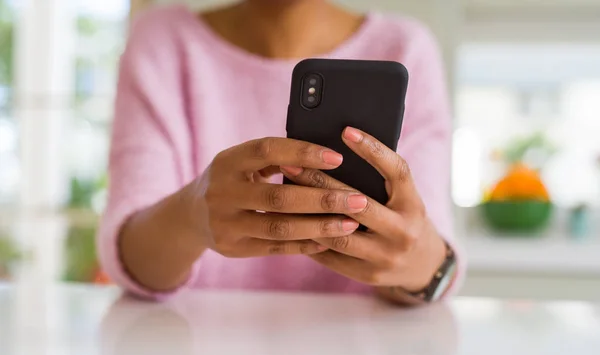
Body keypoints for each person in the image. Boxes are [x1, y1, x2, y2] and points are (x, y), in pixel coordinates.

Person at [97, 0, 464, 303]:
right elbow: (134, 256)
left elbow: (430, 254)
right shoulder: (160, 41)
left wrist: (418, 261)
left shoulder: (407, 48)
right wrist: (193, 215)